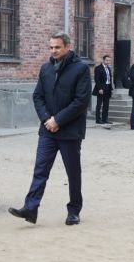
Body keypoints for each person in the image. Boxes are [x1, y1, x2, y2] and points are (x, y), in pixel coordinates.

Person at [9, 32, 91, 226]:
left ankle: (74, 211)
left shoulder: (81, 69)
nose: (53, 50)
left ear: (68, 46)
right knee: (40, 170)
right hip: (48, 131)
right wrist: (47, 119)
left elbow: (81, 101)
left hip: (70, 131)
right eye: (51, 47)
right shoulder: (45, 68)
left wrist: (58, 120)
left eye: (57, 47)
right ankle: (30, 208)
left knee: (73, 173)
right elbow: (38, 96)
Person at [92, 54, 113, 124]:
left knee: (106, 105)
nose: (108, 62)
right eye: (107, 60)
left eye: (109, 60)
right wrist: (100, 88)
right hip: (101, 88)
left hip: (108, 88)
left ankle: (105, 119)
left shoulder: (108, 68)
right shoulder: (98, 68)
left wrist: (111, 88)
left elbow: (109, 79)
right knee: (99, 104)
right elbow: (97, 79)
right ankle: (98, 119)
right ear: (103, 60)